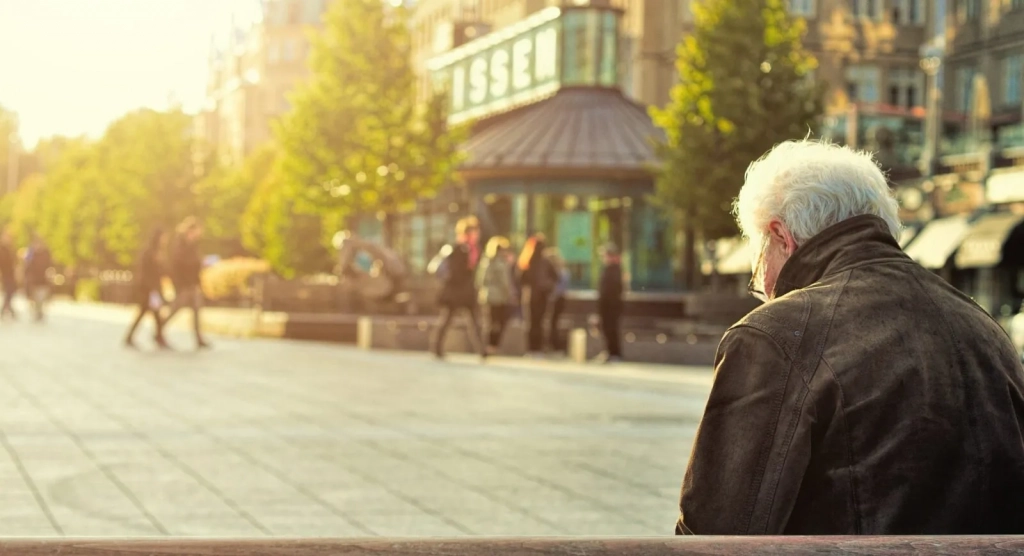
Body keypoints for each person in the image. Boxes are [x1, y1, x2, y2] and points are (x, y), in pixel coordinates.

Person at [676, 140, 1024, 535]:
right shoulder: (984, 329)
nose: (763, 287)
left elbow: (716, 532)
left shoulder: (775, 335)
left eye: (758, 265)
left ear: (781, 237)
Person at [431, 216, 486, 359]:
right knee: (447, 319)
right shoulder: (458, 249)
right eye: (475, 231)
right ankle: (436, 348)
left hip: (467, 291)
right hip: (456, 292)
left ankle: (482, 350)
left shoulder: (474, 249)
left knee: (475, 321)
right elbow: (456, 272)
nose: (477, 234)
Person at [163, 217, 210, 349]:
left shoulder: (193, 245)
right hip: (183, 284)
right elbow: (178, 266)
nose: (199, 234)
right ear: (191, 230)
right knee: (175, 309)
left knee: (196, 310)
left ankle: (199, 339)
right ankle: (159, 329)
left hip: (192, 284)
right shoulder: (180, 245)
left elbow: (194, 264)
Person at [125, 229, 171, 350]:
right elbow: (146, 272)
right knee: (152, 313)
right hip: (149, 289)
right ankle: (158, 337)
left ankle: (155, 337)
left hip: (153, 288)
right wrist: (151, 288)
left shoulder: (158, 252)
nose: (165, 240)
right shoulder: (149, 252)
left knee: (149, 313)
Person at [518, 234, 558, 356]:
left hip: (531, 296)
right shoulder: (545, 262)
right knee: (539, 322)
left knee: (532, 322)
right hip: (542, 296)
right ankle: (538, 348)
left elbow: (521, 279)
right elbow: (556, 277)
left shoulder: (527, 261)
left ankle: (532, 348)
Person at [477, 236, 516, 356]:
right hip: (499, 297)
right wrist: (511, 294)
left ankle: (489, 346)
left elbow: (480, 280)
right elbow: (505, 282)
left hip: (487, 296)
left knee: (491, 322)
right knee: (497, 322)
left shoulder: (485, 261)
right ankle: (492, 346)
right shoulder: (500, 262)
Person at [597, 243, 623, 362]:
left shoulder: (615, 270)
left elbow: (613, 290)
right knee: (607, 328)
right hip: (607, 304)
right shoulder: (609, 269)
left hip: (611, 305)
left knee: (611, 328)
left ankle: (614, 353)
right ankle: (610, 351)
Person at [546, 247, 570, 354]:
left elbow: (560, 287)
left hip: (557, 299)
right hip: (558, 298)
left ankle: (554, 345)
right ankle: (552, 345)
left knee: (553, 322)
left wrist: (552, 296)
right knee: (553, 322)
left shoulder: (560, 272)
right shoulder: (563, 271)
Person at [23, 235, 52, 322]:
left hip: (43, 279)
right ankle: (36, 312)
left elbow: (50, 264)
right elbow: (26, 266)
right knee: (35, 298)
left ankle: (40, 312)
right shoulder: (31, 253)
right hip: (33, 280)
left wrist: (50, 273)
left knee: (42, 297)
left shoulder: (46, 253)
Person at [0, 230, 18, 320]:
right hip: (5, 275)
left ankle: (7, 309)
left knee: (10, 292)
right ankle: (7, 310)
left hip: (11, 274)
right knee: (9, 292)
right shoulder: (2, 249)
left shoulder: (10, 248)